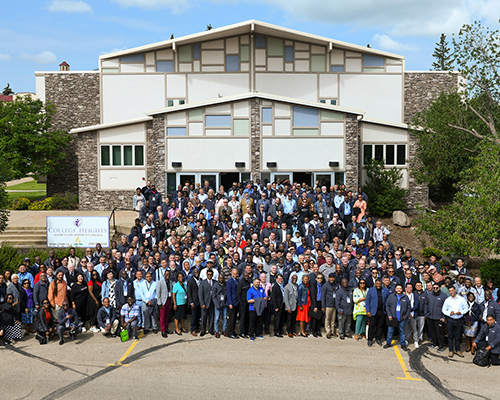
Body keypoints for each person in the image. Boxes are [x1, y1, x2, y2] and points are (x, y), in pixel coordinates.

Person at [442, 285, 468, 358]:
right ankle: (451, 350)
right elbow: (443, 310)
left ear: (455, 290)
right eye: (450, 291)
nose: (451, 292)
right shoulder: (447, 300)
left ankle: (457, 350)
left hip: (459, 320)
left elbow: (466, 308)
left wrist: (461, 312)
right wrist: (449, 313)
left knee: (458, 336)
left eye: (452, 290)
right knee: (450, 336)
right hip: (450, 320)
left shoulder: (461, 299)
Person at [384, 284, 410, 351]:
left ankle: (403, 344)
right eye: (397, 288)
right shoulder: (391, 296)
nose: (399, 289)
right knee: (390, 331)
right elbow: (387, 305)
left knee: (402, 331)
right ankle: (388, 343)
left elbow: (409, 307)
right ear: (395, 289)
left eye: (400, 288)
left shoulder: (405, 297)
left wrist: (406, 316)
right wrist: (389, 314)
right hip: (392, 318)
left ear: (402, 289)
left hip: (402, 318)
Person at [365, 278, 390, 347]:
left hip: (382, 311)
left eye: (379, 284)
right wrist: (368, 311)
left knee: (380, 326)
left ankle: (378, 338)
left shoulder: (386, 290)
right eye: (377, 284)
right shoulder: (371, 290)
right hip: (373, 311)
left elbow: (388, 301)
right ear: (375, 284)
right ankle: (370, 339)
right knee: (372, 326)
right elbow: (367, 301)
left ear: (381, 284)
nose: (378, 285)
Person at [425, 283, 448, 352]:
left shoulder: (444, 296)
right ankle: (434, 343)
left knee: (440, 333)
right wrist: (426, 314)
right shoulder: (429, 295)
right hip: (430, 317)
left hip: (439, 318)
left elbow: (446, 307)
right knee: (432, 331)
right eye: (434, 288)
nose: (435, 289)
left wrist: (444, 317)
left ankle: (441, 346)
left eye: (437, 288)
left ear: (439, 288)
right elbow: (426, 305)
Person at [247, 277, 267, 341]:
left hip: (260, 308)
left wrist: (261, 300)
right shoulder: (250, 290)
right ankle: (251, 335)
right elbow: (248, 300)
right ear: (253, 282)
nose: (258, 283)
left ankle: (258, 333)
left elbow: (265, 297)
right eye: (257, 282)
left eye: (259, 282)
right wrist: (257, 300)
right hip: (253, 309)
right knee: (252, 322)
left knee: (259, 322)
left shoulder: (261, 289)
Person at [156, 269, 173, 338]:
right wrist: (159, 303)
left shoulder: (171, 282)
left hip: (168, 300)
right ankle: (163, 330)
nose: (167, 276)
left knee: (167, 316)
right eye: (166, 274)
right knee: (162, 317)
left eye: (169, 274)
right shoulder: (160, 282)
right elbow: (158, 293)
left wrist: (171, 302)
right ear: (164, 275)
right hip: (162, 302)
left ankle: (166, 328)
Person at [198, 269, 215, 336]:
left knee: (211, 316)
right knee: (204, 317)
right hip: (205, 302)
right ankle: (203, 330)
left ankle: (210, 329)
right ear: (206, 275)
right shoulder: (203, 282)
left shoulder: (215, 282)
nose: (209, 276)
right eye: (208, 274)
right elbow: (200, 294)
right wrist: (202, 303)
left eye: (211, 274)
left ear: (212, 275)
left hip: (212, 302)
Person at [321, 273, 338, 339]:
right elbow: (323, 296)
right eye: (331, 277)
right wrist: (323, 306)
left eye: (333, 277)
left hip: (334, 305)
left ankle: (332, 331)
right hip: (328, 305)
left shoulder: (336, 285)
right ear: (328, 278)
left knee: (333, 320)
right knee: (327, 319)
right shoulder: (325, 285)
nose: (332, 279)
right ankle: (328, 332)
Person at [404, 282, 420, 348]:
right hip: (405, 314)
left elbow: (416, 305)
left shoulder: (415, 295)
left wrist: (410, 312)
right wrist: (407, 313)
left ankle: (416, 341)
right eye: (408, 287)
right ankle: (406, 340)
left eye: (410, 287)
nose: (409, 289)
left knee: (414, 328)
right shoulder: (404, 296)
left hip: (413, 314)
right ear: (406, 288)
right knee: (406, 328)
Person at [226, 268, 239, 339]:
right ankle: (230, 332)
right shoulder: (229, 282)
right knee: (231, 319)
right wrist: (230, 303)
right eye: (234, 274)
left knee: (234, 318)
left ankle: (233, 331)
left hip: (236, 302)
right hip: (232, 303)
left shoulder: (237, 281)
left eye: (236, 274)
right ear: (231, 274)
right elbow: (228, 293)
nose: (235, 275)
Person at [187, 268, 201, 336]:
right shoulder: (190, 281)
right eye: (195, 272)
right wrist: (191, 302)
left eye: (197, 272)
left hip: (199, 301)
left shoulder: (200, 280)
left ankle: (197, 327)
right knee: (193, 316)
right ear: (193, 273)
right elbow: (189, 293)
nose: (196, 273)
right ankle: (192, 329)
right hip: (193, 302)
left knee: (198, 315)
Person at [309, 273, 324, 337]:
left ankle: (318, 331)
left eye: (321, 278)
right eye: (318, 278)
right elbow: (312, 296)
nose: (319, 279)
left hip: (321, 302)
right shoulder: (313, 285)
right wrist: (314, 306)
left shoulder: (323, 285)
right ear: (316, 279)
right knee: (315, 318)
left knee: (320, 318)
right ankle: (314, 331)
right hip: (315, 302)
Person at [213, 274, 227, 338]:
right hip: (217, 305)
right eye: (220, 278)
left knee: (224, 318)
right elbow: (214, 296)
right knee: (216, 318)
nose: (221, 279)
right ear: (218, 279)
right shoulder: (215, 285)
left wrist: (226, 303)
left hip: (224, 304)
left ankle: (224, 330)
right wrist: (217, 305)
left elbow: (227, 294)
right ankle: (217, 331)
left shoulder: (226, 284)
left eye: (222, 278)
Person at [271, 274, 286, 338]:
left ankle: (280, 330)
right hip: (278, 305)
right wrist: (275, 307)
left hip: (283, 304)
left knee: (282, 318)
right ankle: (276, 331)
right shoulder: (275, 286)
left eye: (281, 279)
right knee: (277, 319)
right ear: (276, 279)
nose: (280, 280)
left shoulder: (282, 285)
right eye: (279, 279)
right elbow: (273, 298)